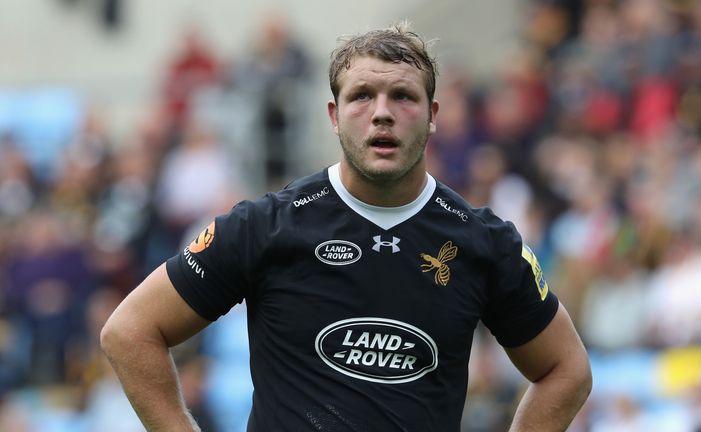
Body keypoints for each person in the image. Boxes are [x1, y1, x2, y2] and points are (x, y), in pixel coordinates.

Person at [100, 22, 592, 431]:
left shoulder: (484, 243)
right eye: (362, 96)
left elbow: (565, 370)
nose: (382, 113)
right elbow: (130, 331)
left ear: (432, 116)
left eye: (402, 96)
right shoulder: (265, 227)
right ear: (334, 116)